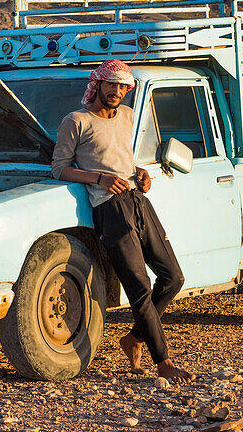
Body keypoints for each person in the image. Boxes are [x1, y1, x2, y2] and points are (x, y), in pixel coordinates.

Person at [51, 59, 194, 383]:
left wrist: (140, 173)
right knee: (139, 286)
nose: (116, 91)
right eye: (111, 84)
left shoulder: (128, 116)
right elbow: (59, 167)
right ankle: (164, 362)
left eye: (122, 87)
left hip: (138, 201)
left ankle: (134, 338)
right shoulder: (76, 121)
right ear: (97, 84)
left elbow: (123, 159)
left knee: (172, 277)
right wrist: (98, 178)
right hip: (109, 209)